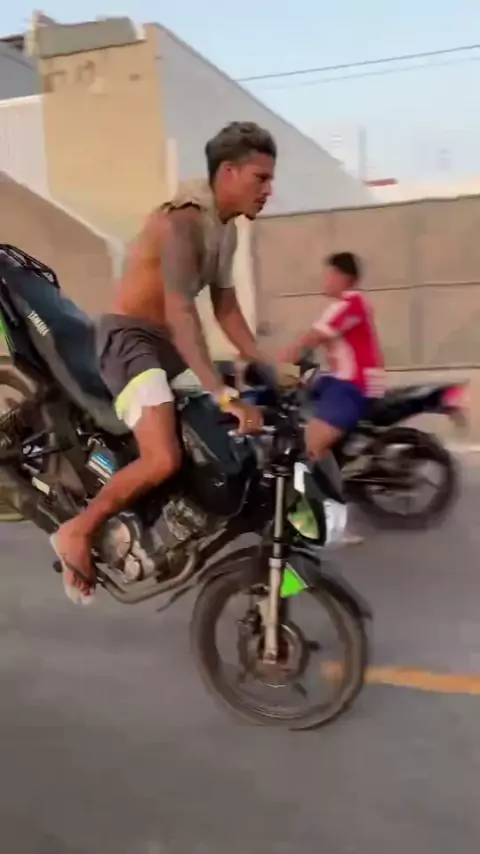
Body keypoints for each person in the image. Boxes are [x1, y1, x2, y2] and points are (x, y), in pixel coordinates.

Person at [52, 121, 285, 604]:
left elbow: (225, 308)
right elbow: (181, 312)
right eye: (261, 178)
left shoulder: (226, 230)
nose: (269, 190)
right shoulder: (184, 223)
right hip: (131, 340)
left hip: (167, 346)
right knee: (163, 456)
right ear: (229, 172)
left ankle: (170, 524)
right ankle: (78, 530)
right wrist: (222, 392)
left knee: (221, 436)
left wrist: (269, 363)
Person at [278, 251, 385, 545]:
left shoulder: (349, 304)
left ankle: (338, 525)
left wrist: (273, 366)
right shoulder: (348, 305)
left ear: (343, 277)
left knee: (312, 445)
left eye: (329, 274)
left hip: (353, 387)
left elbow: (308, 341)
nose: (324, 280)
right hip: (341, 380)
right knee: (303, 391)